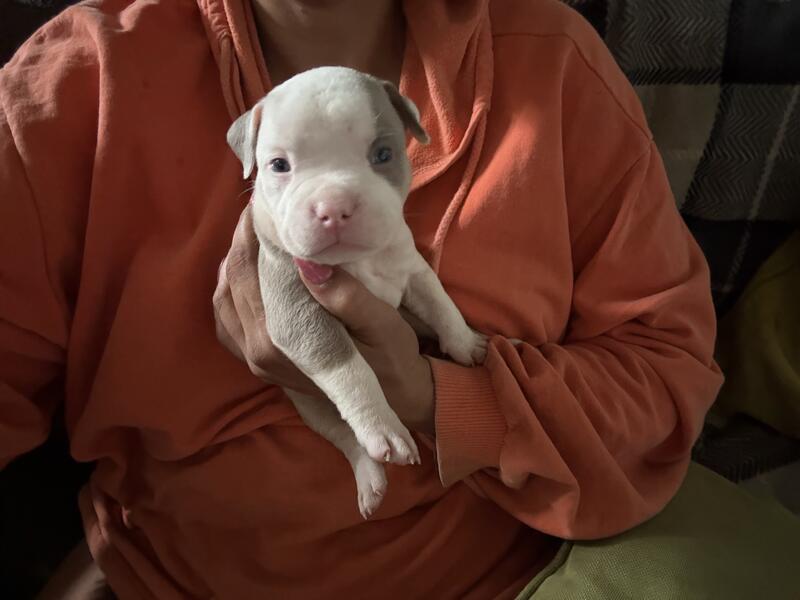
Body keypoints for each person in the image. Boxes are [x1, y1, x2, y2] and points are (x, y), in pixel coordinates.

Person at [0, 0, 723, 598]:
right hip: (164, 572)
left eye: (379, 155)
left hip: (504, 577)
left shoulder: (554, 63)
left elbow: (665, 382)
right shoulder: (77, 83)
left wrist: (430, 394)